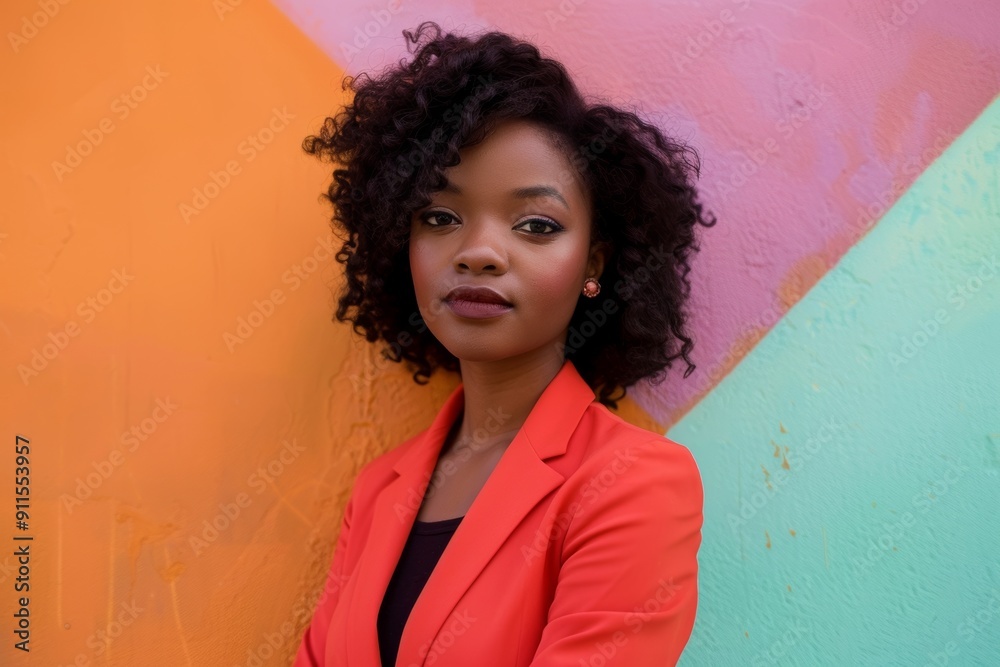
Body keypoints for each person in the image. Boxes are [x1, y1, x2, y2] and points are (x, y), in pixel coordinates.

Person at [293, 20, 716, 667]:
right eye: (440, 217)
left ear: (595, 262)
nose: (481, 252)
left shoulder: (634, 484)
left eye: (535, 225)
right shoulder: (378, 491)